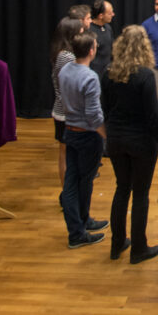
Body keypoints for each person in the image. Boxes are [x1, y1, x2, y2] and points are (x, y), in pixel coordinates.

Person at [101, 25, 158, 264]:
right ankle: (139, 248)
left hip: (116, 140)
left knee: (121, 188)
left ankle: (117, 244)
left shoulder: (108, 72)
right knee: (140, 194)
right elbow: (153, 116)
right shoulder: (145, 75)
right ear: (144, 46)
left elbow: (105, 109)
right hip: (141, 142)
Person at [59, 32, 110, 249]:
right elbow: (94, 115)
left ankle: (83, 221)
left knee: (73, 181)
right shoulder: (90, 77)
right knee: (81, 183)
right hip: (87, 135)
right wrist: (107, 136)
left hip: (70, 131)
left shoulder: (64, 70)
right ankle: (77, 233)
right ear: (91, 50)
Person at [51, 16, 85, 188]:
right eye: (80, 30)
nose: (83, 32)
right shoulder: (67, 57)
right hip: (67, 114)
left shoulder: (63, 53)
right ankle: (68, 193)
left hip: (65, 112)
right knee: (66, 153)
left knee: (67, 153)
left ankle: (69, 192)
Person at [89, 0, 116, 77]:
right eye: (110, 13)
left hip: (108, 75)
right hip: (95, 75)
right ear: (101, 16)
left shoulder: (108, 28)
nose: (113, 14)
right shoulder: (89, 32)